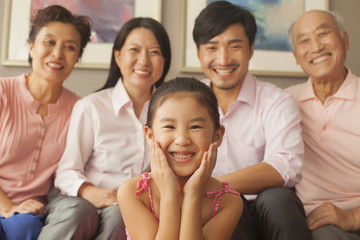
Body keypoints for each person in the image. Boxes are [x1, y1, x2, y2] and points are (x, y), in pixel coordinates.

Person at [39, 17, 171, 240]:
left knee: (123, 213)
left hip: (133, 209)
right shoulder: (91, 107)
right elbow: (66, 171)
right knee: (81, 212)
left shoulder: (172, 112)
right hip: (83, 202)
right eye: (134, 50)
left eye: (154, 52)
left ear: (165, 60)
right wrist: (88, 190)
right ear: (118, 56)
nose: (144, 60)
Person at [192, 1, 310, 240]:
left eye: (234, 46)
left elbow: (286, 166)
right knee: (225, 205)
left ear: (251, 49)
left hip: (269, 211)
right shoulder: (187, 104)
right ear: (199, 53)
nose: (223, 59)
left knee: (278, 198)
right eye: (212, 47)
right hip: (217, 211)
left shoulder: (276, 101)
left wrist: (213, 185)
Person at [0, 5, 91, 240]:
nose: (58, 54)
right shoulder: (2, 92)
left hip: (32, 215)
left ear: (77, 58)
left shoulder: (80, 109)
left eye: (70, 47)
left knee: (25, 228)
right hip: (6, 207)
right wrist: (8, 208)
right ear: (31, 46)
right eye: (49, 42)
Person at [118, 77, 243, 240]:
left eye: (195, 127)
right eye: (169, 127)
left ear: (217, 136)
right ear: (150, 135)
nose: (182, 140)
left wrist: (193, 195)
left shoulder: (228, 202)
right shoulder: (133, 192)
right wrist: (169, 194)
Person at [286, 10, 360, 240]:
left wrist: (354, 217)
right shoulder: (285, 103)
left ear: (345, 40)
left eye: (324, 33)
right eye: (304, 40)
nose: (316, 46)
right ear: (296, 56)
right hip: (314, 220)